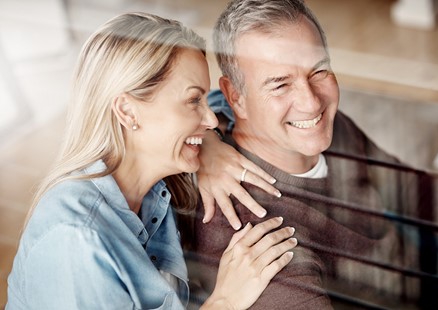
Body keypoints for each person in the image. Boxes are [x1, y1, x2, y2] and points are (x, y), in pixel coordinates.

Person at [185, 0, 438, 309]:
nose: (311, 102)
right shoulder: (257, 243)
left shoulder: (327, 130)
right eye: (280, 85)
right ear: (235, 96)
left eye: (318, 70)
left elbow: (408, 185)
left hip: (418, 280)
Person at [6, 12, 297, 310]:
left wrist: (209, 144)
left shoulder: (153, 188)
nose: (210, 117)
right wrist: (225, 301)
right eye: (193, 101)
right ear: (129, 112)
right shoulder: (77, 240)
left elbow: (224, 101)